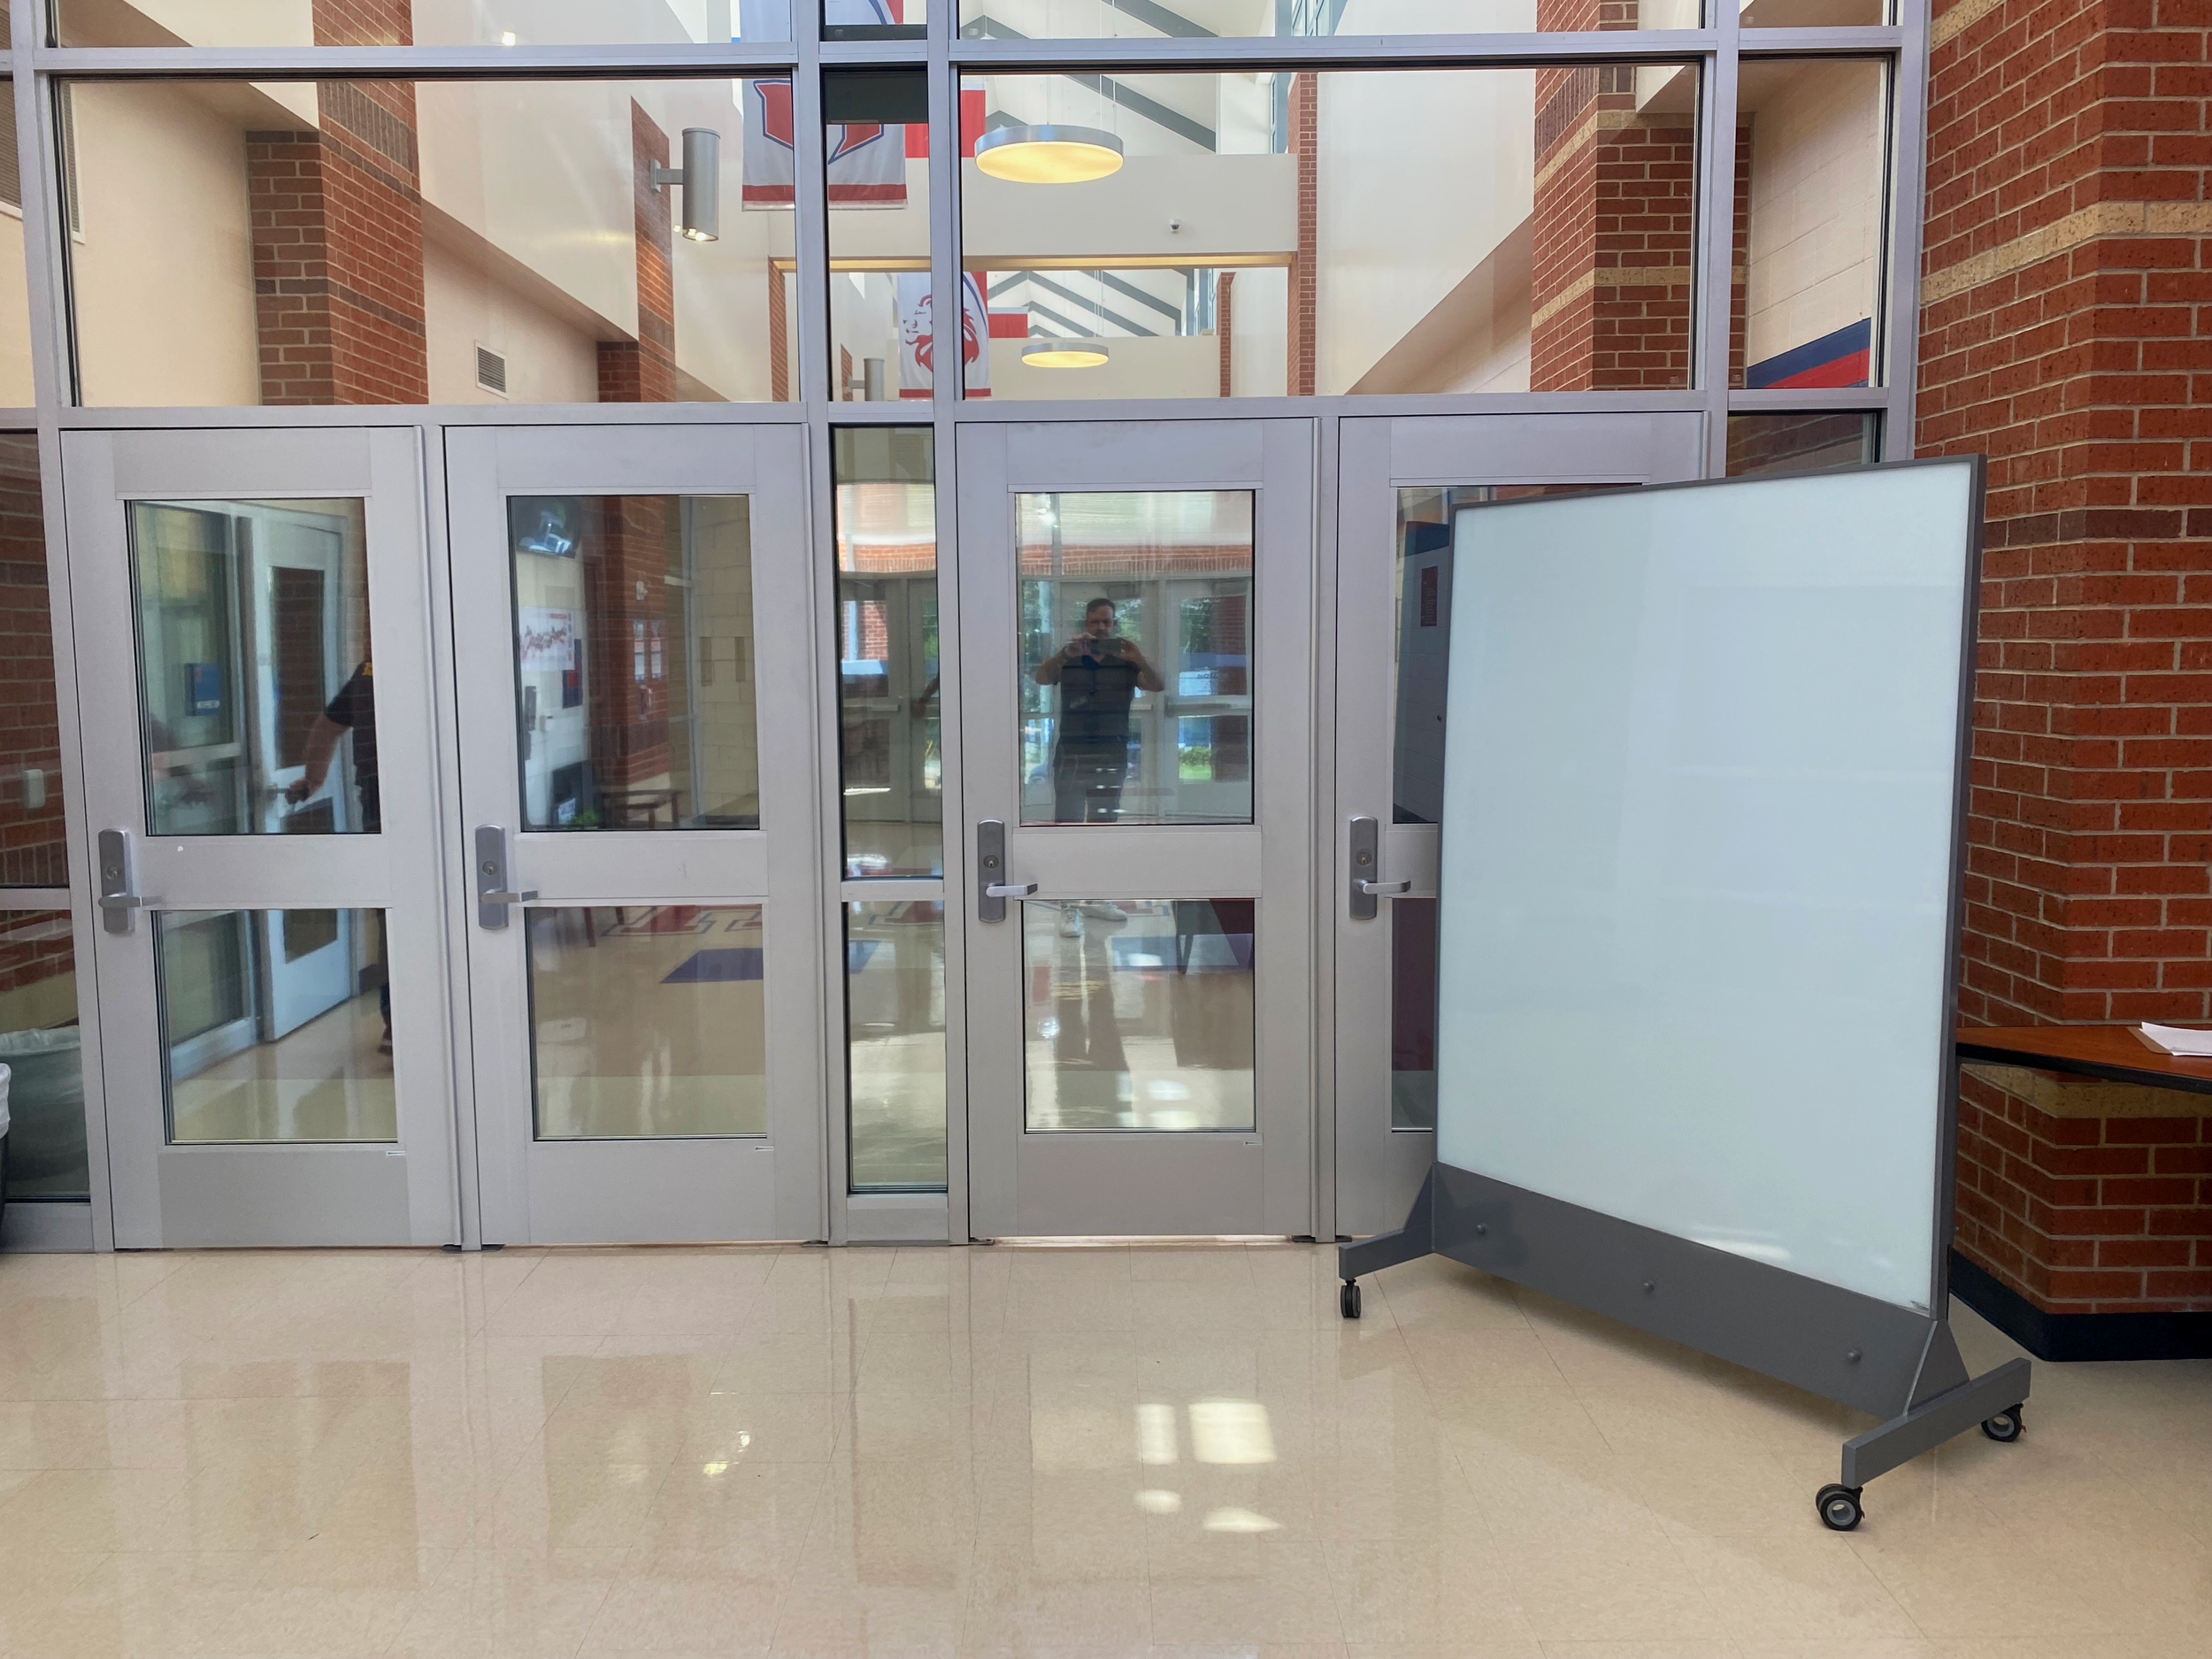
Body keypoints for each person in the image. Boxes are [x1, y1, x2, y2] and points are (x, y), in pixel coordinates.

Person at [285, 662, 390, 1052]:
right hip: (426, 796)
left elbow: (326, 727)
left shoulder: (369, 671)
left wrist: (314, 778)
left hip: (379, 798)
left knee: (393, 912)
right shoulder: (434, 661)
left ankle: (398, 1024)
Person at [1031, 597, 1163, 826]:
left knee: (1104, 820)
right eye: (1095, 622)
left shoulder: (1126, 663)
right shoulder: (1069, 659)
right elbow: (1041, 678)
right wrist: (1066, 654)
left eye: (1106, 622)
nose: (1101, 628)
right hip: (1071, 751)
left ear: (1114, 624)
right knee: (1066, 819)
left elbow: (1158, 685)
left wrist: (1139, 658)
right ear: (1086, 624)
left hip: (1111, 750)